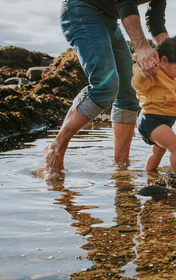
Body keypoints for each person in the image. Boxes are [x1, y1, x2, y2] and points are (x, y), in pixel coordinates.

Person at [44, 0, 169, 175]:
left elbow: (155, 21)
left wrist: (171, 54)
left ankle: (121, 166)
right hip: (82, 10)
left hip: (110, 21)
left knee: (128, 94)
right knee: (105, 86)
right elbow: (125, 1)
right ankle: (56, 145)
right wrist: (141, 46)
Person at [131, 36, 176, 175]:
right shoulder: (153, 73)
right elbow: (138, 86)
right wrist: (144, 73)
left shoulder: (170, 75)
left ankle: (149, 173)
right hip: (151, 120)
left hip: (164, 122)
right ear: (164, 60)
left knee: (158, 152)